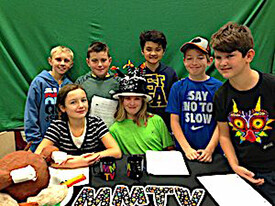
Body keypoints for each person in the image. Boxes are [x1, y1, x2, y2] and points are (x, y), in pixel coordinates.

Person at [211, 22, 275, 204]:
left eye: (230, 56)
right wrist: (235, 165)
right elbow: (224, 135)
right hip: (242, 171)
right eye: (218, 57)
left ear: (249, 55)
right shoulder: (221, 95)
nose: (222, 63)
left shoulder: (271, 86)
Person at [35, 84, 122, 169]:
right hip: (66, 175)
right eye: (73, 102)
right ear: (62, 108)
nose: (81, 106)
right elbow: (38, 156)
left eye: (83, 100)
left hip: (93, 175)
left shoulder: (96, 123)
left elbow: (116, 152)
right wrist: (74, 163)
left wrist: (90, 158)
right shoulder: (57, 126)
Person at [166, 37, 223, 162]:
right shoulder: (177, 87)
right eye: (189, 58)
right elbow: (174, 122)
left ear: (210, 61)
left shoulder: (219, 87)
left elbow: (221, 123)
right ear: (184, 61)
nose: (194, 62)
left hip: (213, 153)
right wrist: (187, 149)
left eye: (200, 57)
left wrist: (210, 149)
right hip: (185, 153)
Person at [109, 61, 174, 155]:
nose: (132, 103)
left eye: (137, 99)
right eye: (127, 98)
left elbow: (170, 149)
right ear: (122, 101)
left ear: (143, 101)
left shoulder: (157, 121)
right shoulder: (114, 130)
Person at [24, 46, 74, 152]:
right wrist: (35, 141)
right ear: (50, 61)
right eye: (58, 59)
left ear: (71, 65)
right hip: (41, 142)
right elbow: (31, 112)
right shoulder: (39, 82)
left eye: (66, 60)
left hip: (64, 143)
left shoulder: (70, 86)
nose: (62, 63)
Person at [138, 30, 178, 131]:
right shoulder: (136, 74)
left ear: (163, 51)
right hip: (143, 126)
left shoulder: (170, 73)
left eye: (158, 49)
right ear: (142, 51)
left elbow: (175, 101)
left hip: (167, 125)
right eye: (149, 49)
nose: (153, 53)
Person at [75, 41, 119, 127]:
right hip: (89, 133)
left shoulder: (119, 82)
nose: (99, 65)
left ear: (109, 61)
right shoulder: (81, 82)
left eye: (103, 60)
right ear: (88, 62)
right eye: (94, 61)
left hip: (113, 132)